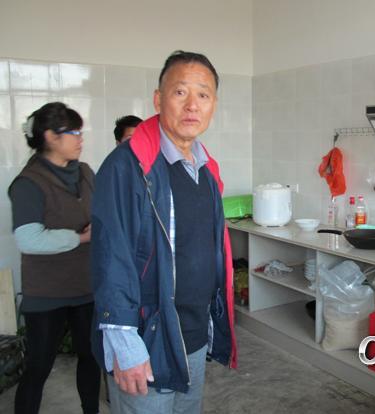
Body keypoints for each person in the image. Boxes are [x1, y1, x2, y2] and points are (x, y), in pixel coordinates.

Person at [90, 50, 237, 413]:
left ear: (214, 105)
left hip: (193, 335)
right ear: (158, 100)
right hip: (147, 338)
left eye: (203, 94)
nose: (192, 105)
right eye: (180, 92)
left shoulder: (205, 169)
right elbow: (112, 257)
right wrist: (125, 344)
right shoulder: (128, 166)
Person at [9, 102, 100, 414]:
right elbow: (29, 239)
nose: (80, 138)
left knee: (91, 358)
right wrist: (81, 238)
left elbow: (101, 210)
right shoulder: (28, 183)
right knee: (38, 367)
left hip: (86, 287)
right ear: (50, 136)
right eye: (73, 132)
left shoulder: (85, 173)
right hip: (47, 293)